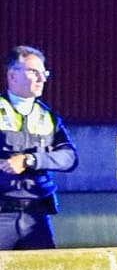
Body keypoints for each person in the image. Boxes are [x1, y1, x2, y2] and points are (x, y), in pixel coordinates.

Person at [0, 45, 77, 250]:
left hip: (36, 215)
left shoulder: (48, 117)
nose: (42, 79)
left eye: (44, 73)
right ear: (12, 75)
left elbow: (70, 157)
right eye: (34, 72)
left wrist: (31, 160)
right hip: (2, 212)